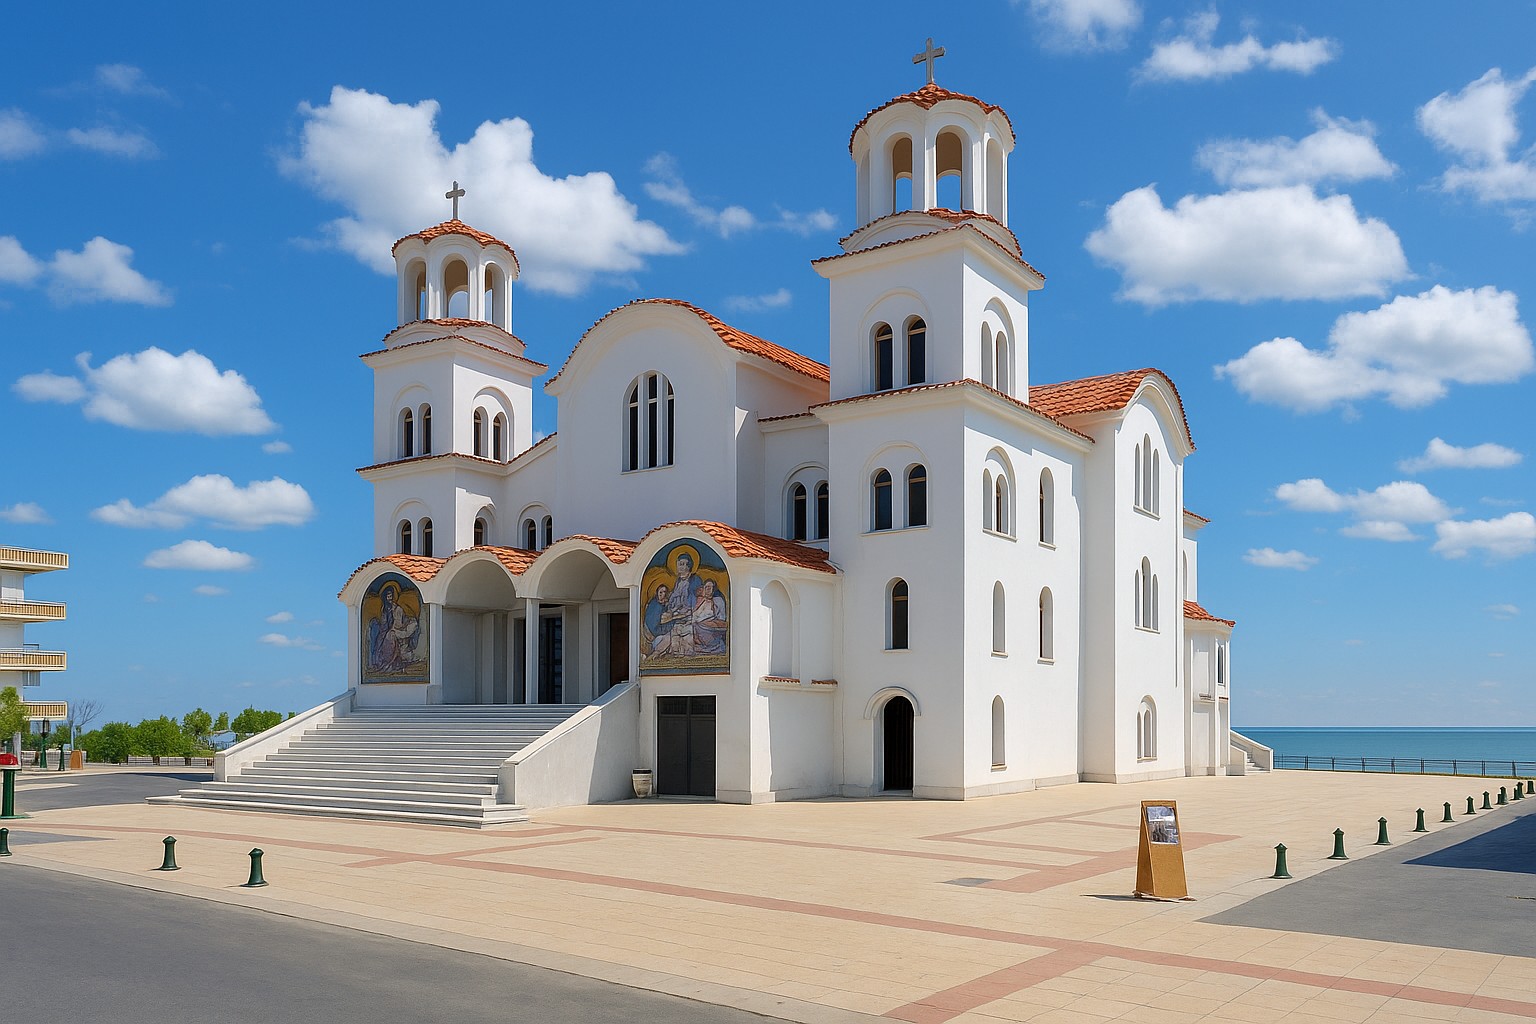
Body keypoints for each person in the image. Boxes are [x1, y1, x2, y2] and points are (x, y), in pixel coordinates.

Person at [367, 583, 421, 673]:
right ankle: (382, 663)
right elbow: (384, 623)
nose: (390, 598)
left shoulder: (397, 609)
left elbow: (400, 622)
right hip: (385, 631)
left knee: (391, 636)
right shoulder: (384, 609)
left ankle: (392, 662)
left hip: (396, 630)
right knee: (380, 642)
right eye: (388, 597)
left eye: (391, 596)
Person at [691, 579, 728, 655]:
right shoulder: (699, 601)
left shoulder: (718, 601)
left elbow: (721, 620)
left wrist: (707, 623)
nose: (708, 589)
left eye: (710, 587)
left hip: (709, 631)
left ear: (713, 589)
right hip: (695, 630)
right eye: (706, 587)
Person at [643, 582, 671, 656]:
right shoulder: (654, 605)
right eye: (660, 592)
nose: (662, 594)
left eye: (664, 592)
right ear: (657, 593)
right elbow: (654, 626)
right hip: (653, 633)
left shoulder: (663, 604)